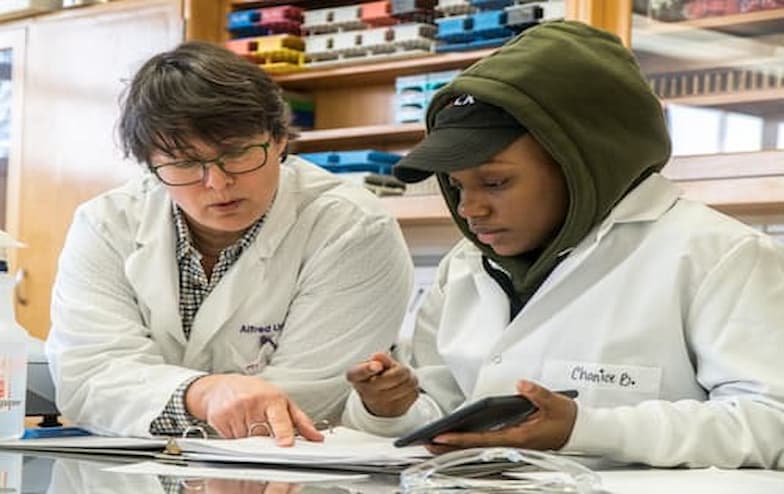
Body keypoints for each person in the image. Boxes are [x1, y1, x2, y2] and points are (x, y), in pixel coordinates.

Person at [342, 21, 784, 468]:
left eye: (495, 182)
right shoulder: (465, 266)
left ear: (584, 163)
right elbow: (446, 408)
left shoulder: (720, 255)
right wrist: (391, 407)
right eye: (456, 187)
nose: (471, 208)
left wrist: (584, 429)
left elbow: (770, 424)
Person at [45, 41, 413, 444]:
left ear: (279, 140)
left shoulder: (352, 228)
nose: (217, 183)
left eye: (236, 153)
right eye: (185, 163)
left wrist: (166, 398)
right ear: (150, 166)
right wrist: (203, 394)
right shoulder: (105, 225)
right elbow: (87, 378)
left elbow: (314, 397)